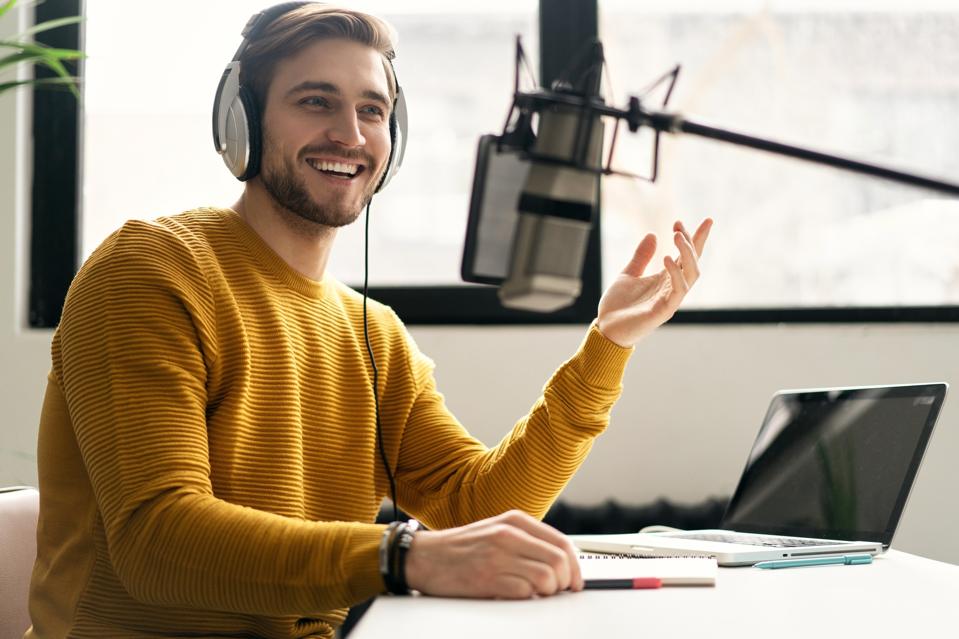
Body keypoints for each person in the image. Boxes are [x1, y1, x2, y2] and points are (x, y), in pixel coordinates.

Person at [26, 3, 712, 638]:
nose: (349, 135)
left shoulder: (371, 330)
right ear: (241, 118)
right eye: (314, 101)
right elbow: (156, 539)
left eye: (372, 110)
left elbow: (472, 505)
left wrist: (607, 344)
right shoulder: (149, 268)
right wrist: (402, 555)